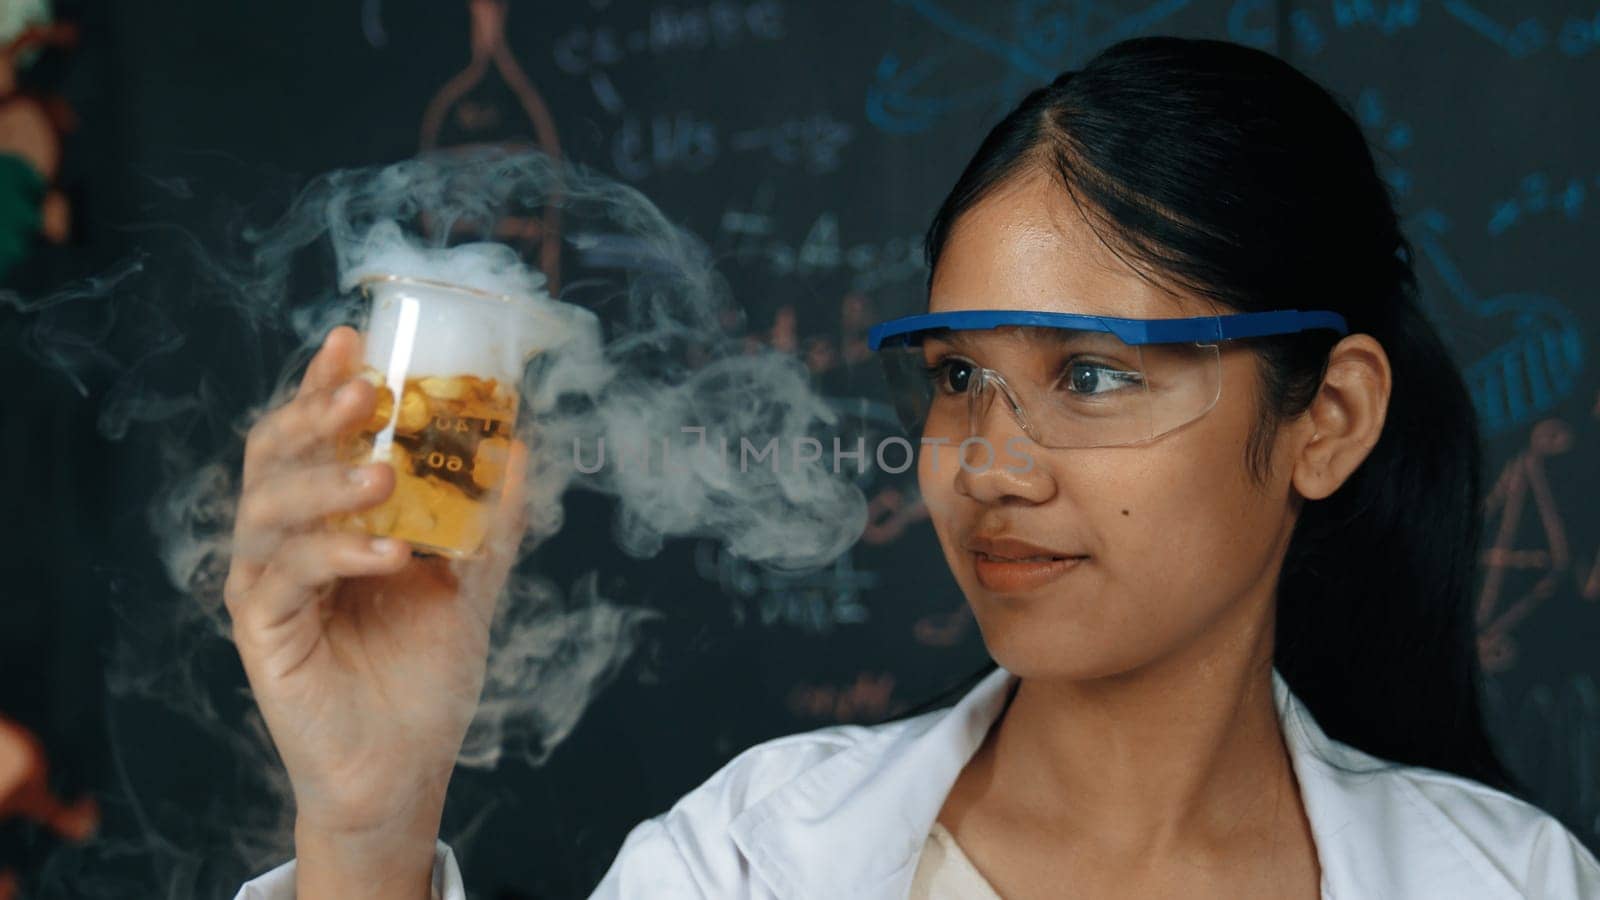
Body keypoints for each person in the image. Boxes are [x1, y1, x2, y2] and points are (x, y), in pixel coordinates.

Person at [232, 36, 1600, 900]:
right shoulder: (752, 864)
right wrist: (368, 821)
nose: (989, 464)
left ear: (1331, 419)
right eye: (958, 379)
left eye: (1095, 374)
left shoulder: (1515, 882)